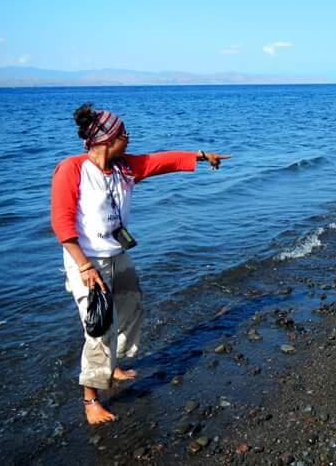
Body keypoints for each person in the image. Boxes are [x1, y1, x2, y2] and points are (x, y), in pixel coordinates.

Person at [50, 103, 231, 425]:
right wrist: (84, 267)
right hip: (88, 262)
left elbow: (162, 161)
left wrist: (203, 156)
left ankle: (112, 365)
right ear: (106, 139)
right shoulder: (72, 169)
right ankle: (90, 399)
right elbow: (62, 224)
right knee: (99, 327)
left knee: (132, 309)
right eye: (123, 134)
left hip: (117, 254)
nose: (128, 138)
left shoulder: (124, 167)